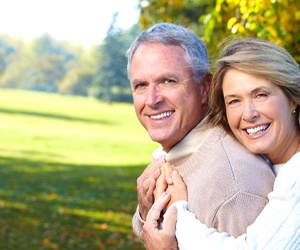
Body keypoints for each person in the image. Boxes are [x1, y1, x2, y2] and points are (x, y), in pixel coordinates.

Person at [126, 23, 275, 247]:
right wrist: (146, 213)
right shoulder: (175, 155)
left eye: (168, 81)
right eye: (141, 85)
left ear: (205, 87)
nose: (152, 99)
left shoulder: (235, 186)